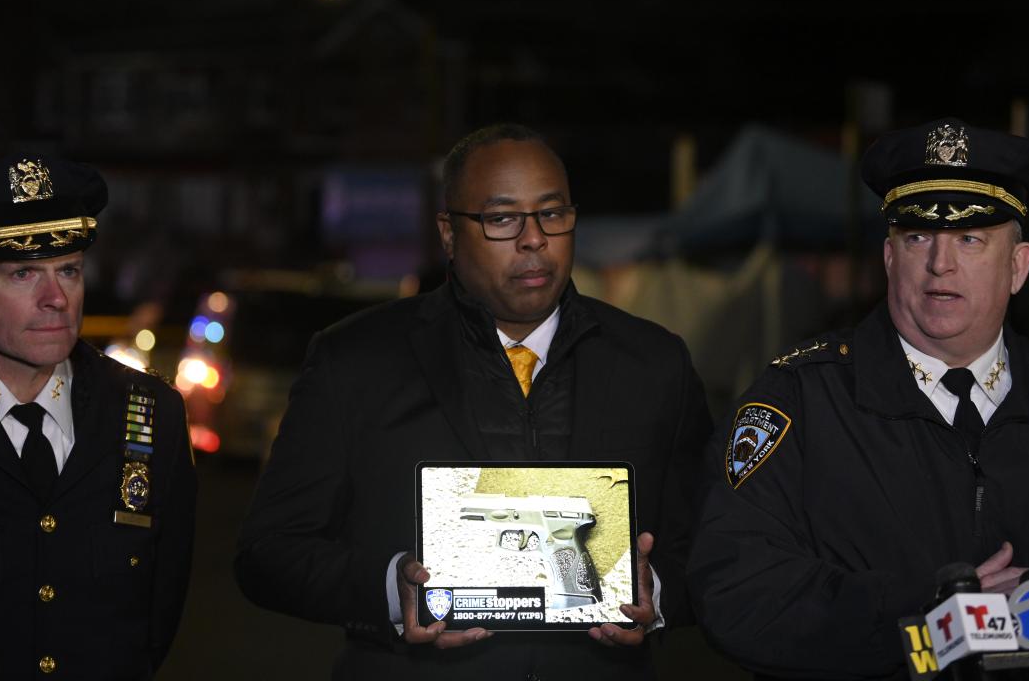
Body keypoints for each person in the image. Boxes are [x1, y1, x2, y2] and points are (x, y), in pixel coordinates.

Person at [235, 124, 712, 679]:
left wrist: (657, 590)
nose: (534, 239)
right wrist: (391, 589)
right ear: (448, 233)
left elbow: (716, 544)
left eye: (553, 214)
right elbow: (267, 553)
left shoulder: (655, 363)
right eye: (501, 218)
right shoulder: (356, 361)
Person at [689, 119, 1029, 678]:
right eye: (918, 237)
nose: (941, 263)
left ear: (1018, 267)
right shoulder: (799, 402)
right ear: (890, 258)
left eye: (971, 239)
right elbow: (734, 591)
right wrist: (925, 613)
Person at [0, 155, 196, 680]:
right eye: (22, 273)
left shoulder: (150, 413)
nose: (55, 299)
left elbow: (156, 621)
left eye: (68, 270)